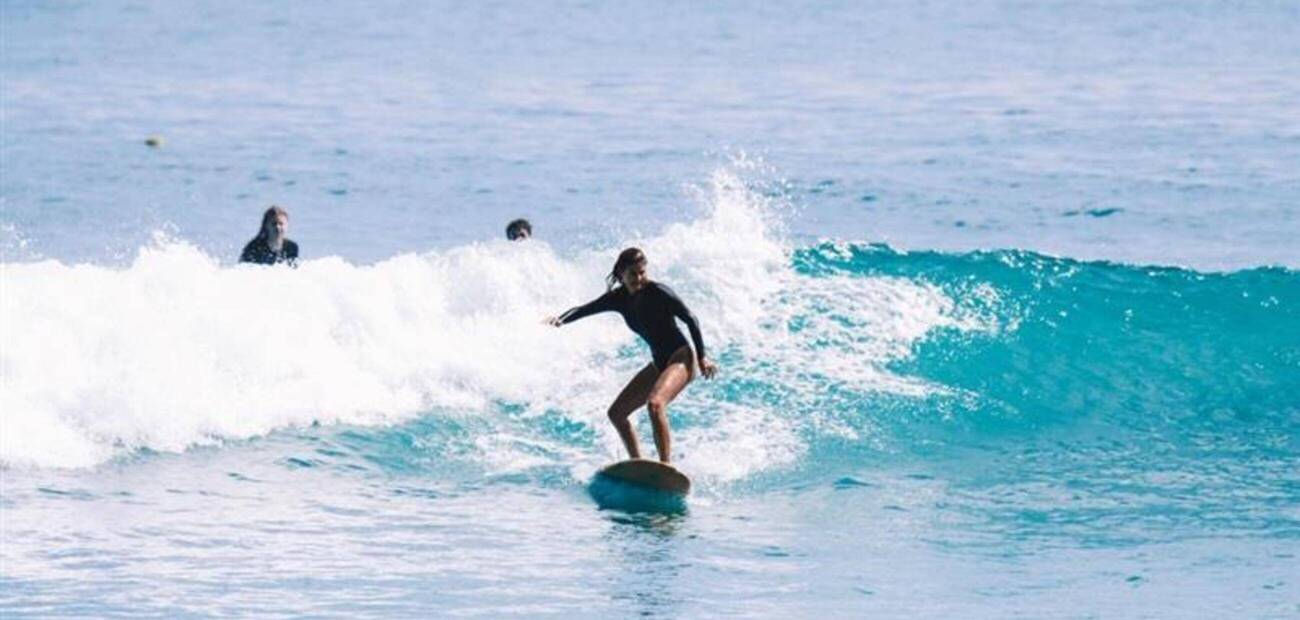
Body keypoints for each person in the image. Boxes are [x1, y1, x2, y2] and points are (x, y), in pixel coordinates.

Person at [547, 247, 718, 463]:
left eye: (642, 272)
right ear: (621, 274)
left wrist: (702, 357)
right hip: (659, 363)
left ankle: (666, 465)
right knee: (617, 414)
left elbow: (691, 319)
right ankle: (638, 463)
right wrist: (560, 320)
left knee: (655, 404)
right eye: (633, 274)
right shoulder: (618, 298)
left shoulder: (659, 292)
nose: (639, 278)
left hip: (681, 358)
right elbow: (584, 309)